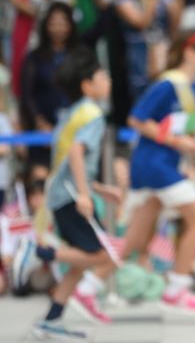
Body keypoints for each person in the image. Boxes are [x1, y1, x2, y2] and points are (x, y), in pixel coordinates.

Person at [98, 30, 195, 313]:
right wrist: (177, 141)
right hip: (154, 165)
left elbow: (194, 128)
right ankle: (178, 286)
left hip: (165, 166)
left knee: (136, 240)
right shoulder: (166, 85)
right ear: (190, 52)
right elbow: (137, 119)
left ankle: (87, 287)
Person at [12, 47, 118, 340]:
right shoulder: (93, 115)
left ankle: (51, 320)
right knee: (102, 255)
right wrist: (85, 195)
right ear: (87, 85)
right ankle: (37, 252)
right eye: (102, 76)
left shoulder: (73, 112)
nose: (108, 80)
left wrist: (98, 188)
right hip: (71, 196)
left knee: (80, 261)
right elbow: (75, 153)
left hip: (63, 192)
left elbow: (70, 161)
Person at [20, 3, 80, 170]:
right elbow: (27, 94)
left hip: (73, 130)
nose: (58, 28)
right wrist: (40, 123)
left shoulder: (78, 55)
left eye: (63, 23)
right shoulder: (35, 57)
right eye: (54, 23)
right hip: (43, 132)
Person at [115, 0, 179, 100]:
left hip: (163, 55)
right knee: (142, 101)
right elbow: (141, 22)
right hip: (138, 59)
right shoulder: (123, 0)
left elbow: (175, 25)